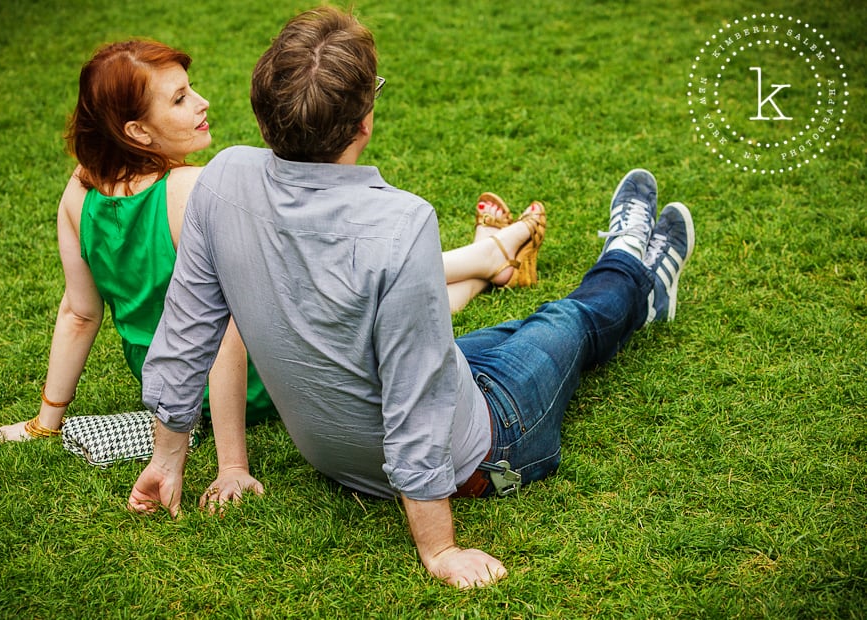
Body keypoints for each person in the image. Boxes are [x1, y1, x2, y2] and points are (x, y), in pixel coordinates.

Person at [126, 7, 695, 589]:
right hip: (481, 445)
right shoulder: (401, 222)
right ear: (364, 120)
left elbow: (186, 331)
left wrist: (165, 461)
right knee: (567, 320)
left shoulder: (221, 179)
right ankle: (635, 267)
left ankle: (634, 294)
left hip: (340, 450)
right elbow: (417, 401)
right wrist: (439, 549)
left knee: (522, 328)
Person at [0, 40, 543, 481]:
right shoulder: (192, 189)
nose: (202, 102)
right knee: (360, 291)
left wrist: (47, 420)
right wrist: (231, 466)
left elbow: (78, 314)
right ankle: (492, 251)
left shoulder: (78, 193)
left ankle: (489, 263)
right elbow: (221, 333)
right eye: (179, 98)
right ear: (137, 130)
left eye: (190, 89)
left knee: (364, 288)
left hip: (167, 383)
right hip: (256, 379)